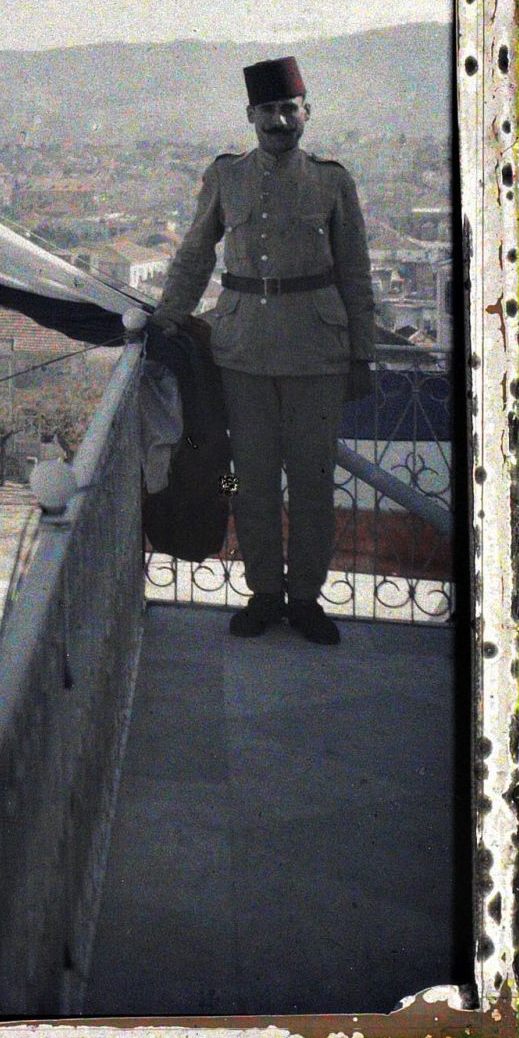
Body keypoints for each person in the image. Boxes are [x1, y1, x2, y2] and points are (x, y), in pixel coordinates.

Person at [152, 56, 375, 648]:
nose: (279, 120)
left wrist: (362, 355)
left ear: (306, 113)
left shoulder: (332, 181)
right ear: (251, 115)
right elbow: (195, 254)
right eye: (269, 110)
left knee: (312, 483)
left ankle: (305, 599)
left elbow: (355, 272)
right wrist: (166, 319)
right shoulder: (226, 177)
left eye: (289, 109)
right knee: (247, 482)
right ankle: (264, 595)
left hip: (317, 355)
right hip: (243, 354)